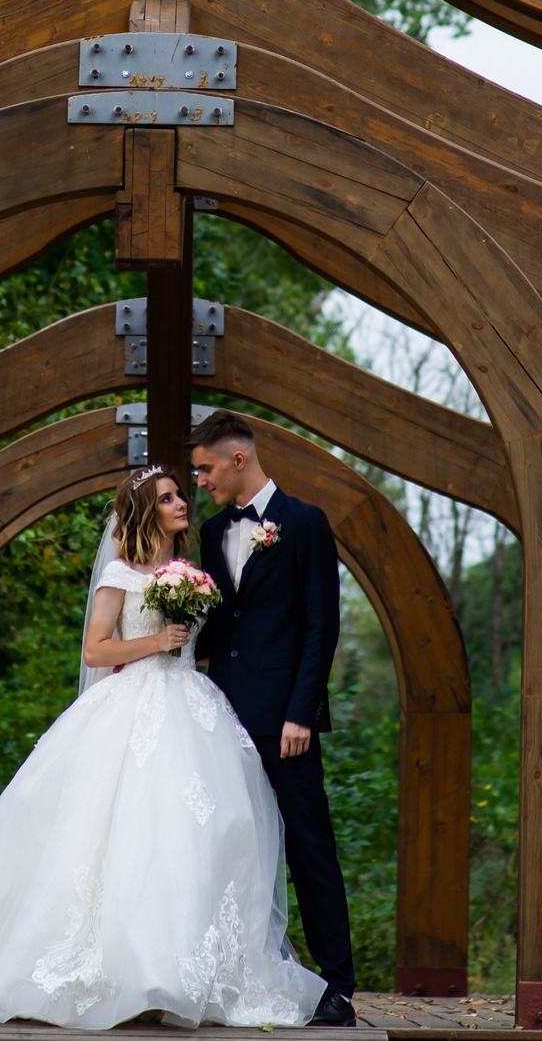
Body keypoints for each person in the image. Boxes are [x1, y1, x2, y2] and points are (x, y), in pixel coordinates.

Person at [0, 463, 325, 1028]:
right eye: (168, 497)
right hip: (131, 706)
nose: (181, 502)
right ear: (146, 511)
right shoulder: (120, 574)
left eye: (180, 494)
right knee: (114, 836)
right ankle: (114, 971)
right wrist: (158, 640)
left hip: (194, 709)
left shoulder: (192, 572)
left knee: (196, 837)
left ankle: (181, 974)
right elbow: (96, 651)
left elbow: (204, 643)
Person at [190, 410, 358, 1028]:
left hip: (285, 723)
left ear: (238, 460)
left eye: (205, 468)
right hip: (220, 718)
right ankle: (231, 977)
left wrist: (301, 714)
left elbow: (321, 626)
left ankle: (338, 987)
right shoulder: (212, 532)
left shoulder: (305, 523)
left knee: (309, 847)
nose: (201, 480)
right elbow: (220, 627)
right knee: (230, 847)